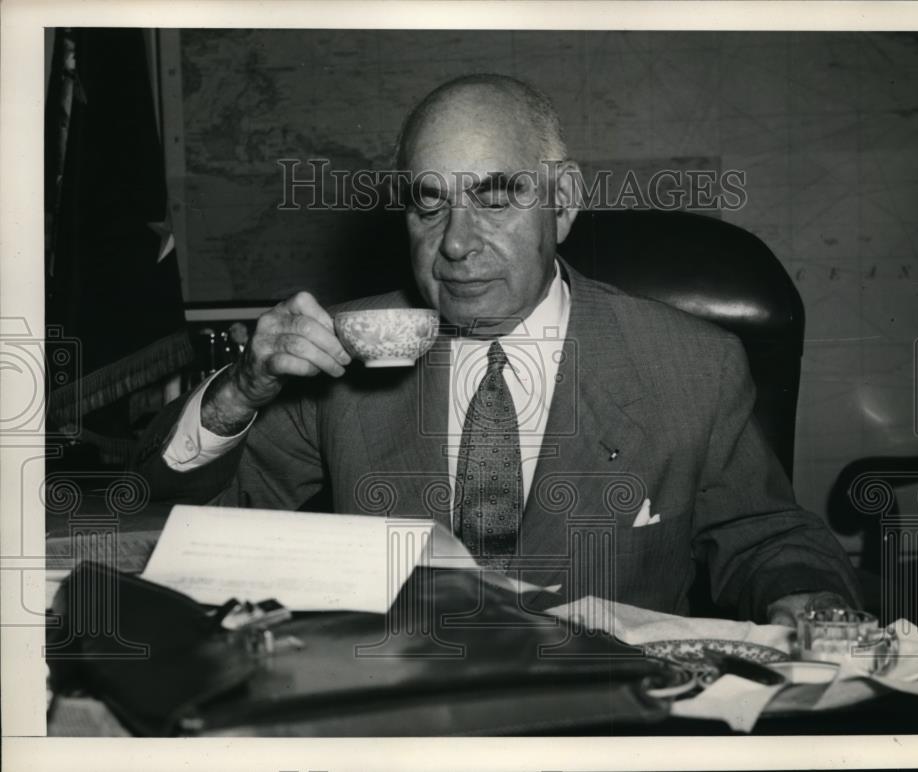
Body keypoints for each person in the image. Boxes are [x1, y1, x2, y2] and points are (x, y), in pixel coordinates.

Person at [134, 73, 861, 624]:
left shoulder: (692, 365)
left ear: (564, 201)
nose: (454, 242)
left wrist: (806, 598)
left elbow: (762, 534)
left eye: (495, 197)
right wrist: (241, 390)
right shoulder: (345, 350)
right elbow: (179, 527)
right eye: (430, 201)